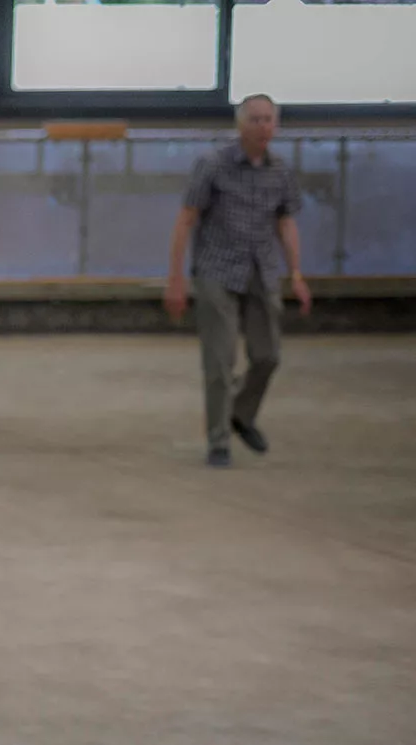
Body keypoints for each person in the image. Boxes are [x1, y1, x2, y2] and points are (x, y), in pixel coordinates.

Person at [164, 93, 312, 468]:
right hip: (216, 270)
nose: (263, 127)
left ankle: (241, 414)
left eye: (268, 120)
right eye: (255, 120)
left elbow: (286, 222)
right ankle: (219, 441)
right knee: (220, 360)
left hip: (261, 270)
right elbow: (186, 219)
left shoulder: (281, 171)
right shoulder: (212, 165)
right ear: (240, 125)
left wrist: (296, 273)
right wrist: (175, 278)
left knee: (268, 355)